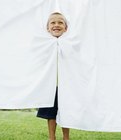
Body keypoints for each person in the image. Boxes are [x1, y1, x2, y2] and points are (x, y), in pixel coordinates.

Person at [37, 12, 70, 140]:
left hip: (65, 84)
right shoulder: (44, 45)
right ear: (47, 28)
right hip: (50, 84)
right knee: (51, 112)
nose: (56, 25)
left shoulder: (69, 44)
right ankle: (52, 137)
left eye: (60, 22)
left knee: (66, 111)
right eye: (53, 22)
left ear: (66, 28)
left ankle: (66, 137)